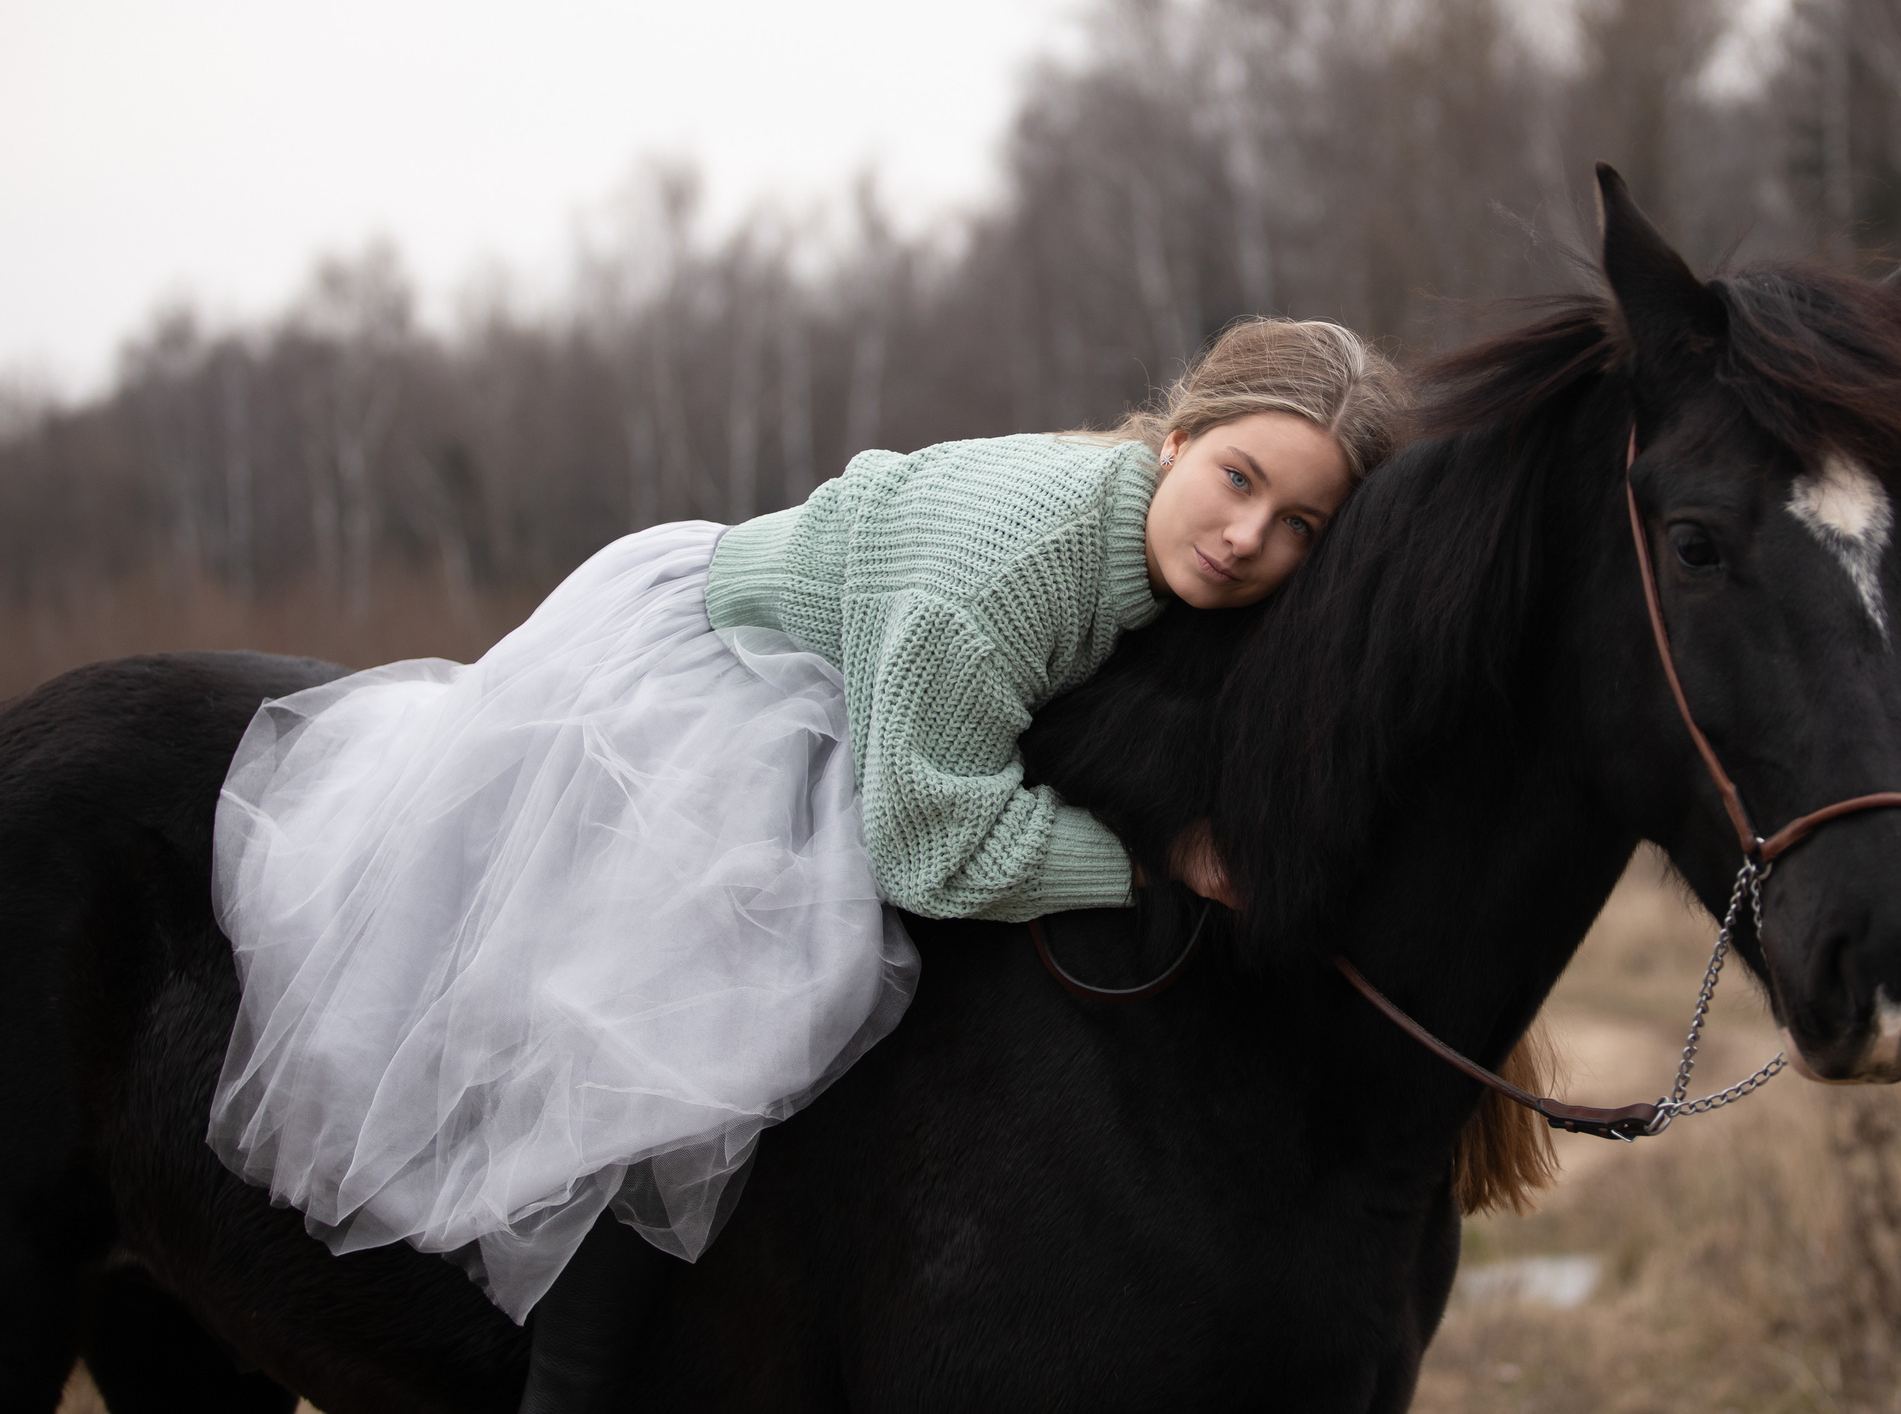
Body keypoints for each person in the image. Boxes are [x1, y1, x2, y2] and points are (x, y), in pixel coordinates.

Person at [205, 317, 1407, 1413]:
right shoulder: (1013, 569)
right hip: (724, 688)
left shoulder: (1166, 551)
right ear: (1180, 439)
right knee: (683, 1039)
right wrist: (1151, 865)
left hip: (872, 701)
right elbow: (935, 849)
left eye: (1300, 524)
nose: (1250, 537)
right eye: (1237, 479)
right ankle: (568, 1384)